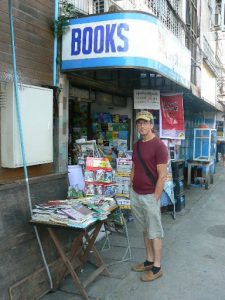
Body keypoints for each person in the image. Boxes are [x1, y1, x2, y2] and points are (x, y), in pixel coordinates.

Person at [130, 110, 168, 282]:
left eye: (145, 122)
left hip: (150, 196)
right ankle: (149, 260)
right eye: (139, 123)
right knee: (145, 230)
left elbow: (162, 175)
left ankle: (157, 267)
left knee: (154, 232)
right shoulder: (137, 145)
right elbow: (134, 167)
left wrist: (156, 197)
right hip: (136, 194)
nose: (142, 125)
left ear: (152, 125)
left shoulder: (159, 146)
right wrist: (131, 186)